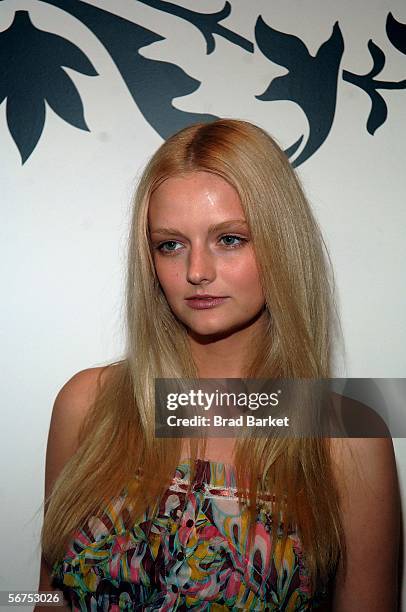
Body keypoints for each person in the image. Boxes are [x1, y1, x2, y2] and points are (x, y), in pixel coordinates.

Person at [37, 118, 400, 610]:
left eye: (229, 239)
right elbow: (46, 597)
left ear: (281, 243)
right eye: (171, 244)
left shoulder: (348, 435)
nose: (197, 271)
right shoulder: (88, 403)